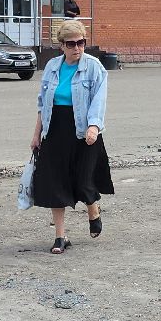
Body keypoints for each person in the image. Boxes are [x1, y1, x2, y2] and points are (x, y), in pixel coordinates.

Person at [30, 20, 113, 254]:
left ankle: (93, 209)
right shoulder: (52, 67)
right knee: (55, 184)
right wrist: (37, 134)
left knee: (83, 181)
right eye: (71, 44)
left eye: (81, 42)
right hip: (55, 130)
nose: (77, 48)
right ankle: (60, 237)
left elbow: (99, 99)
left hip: (83, 130)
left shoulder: (94, 67)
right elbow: (42, 104)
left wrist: (94, 127)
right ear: (61, 45)